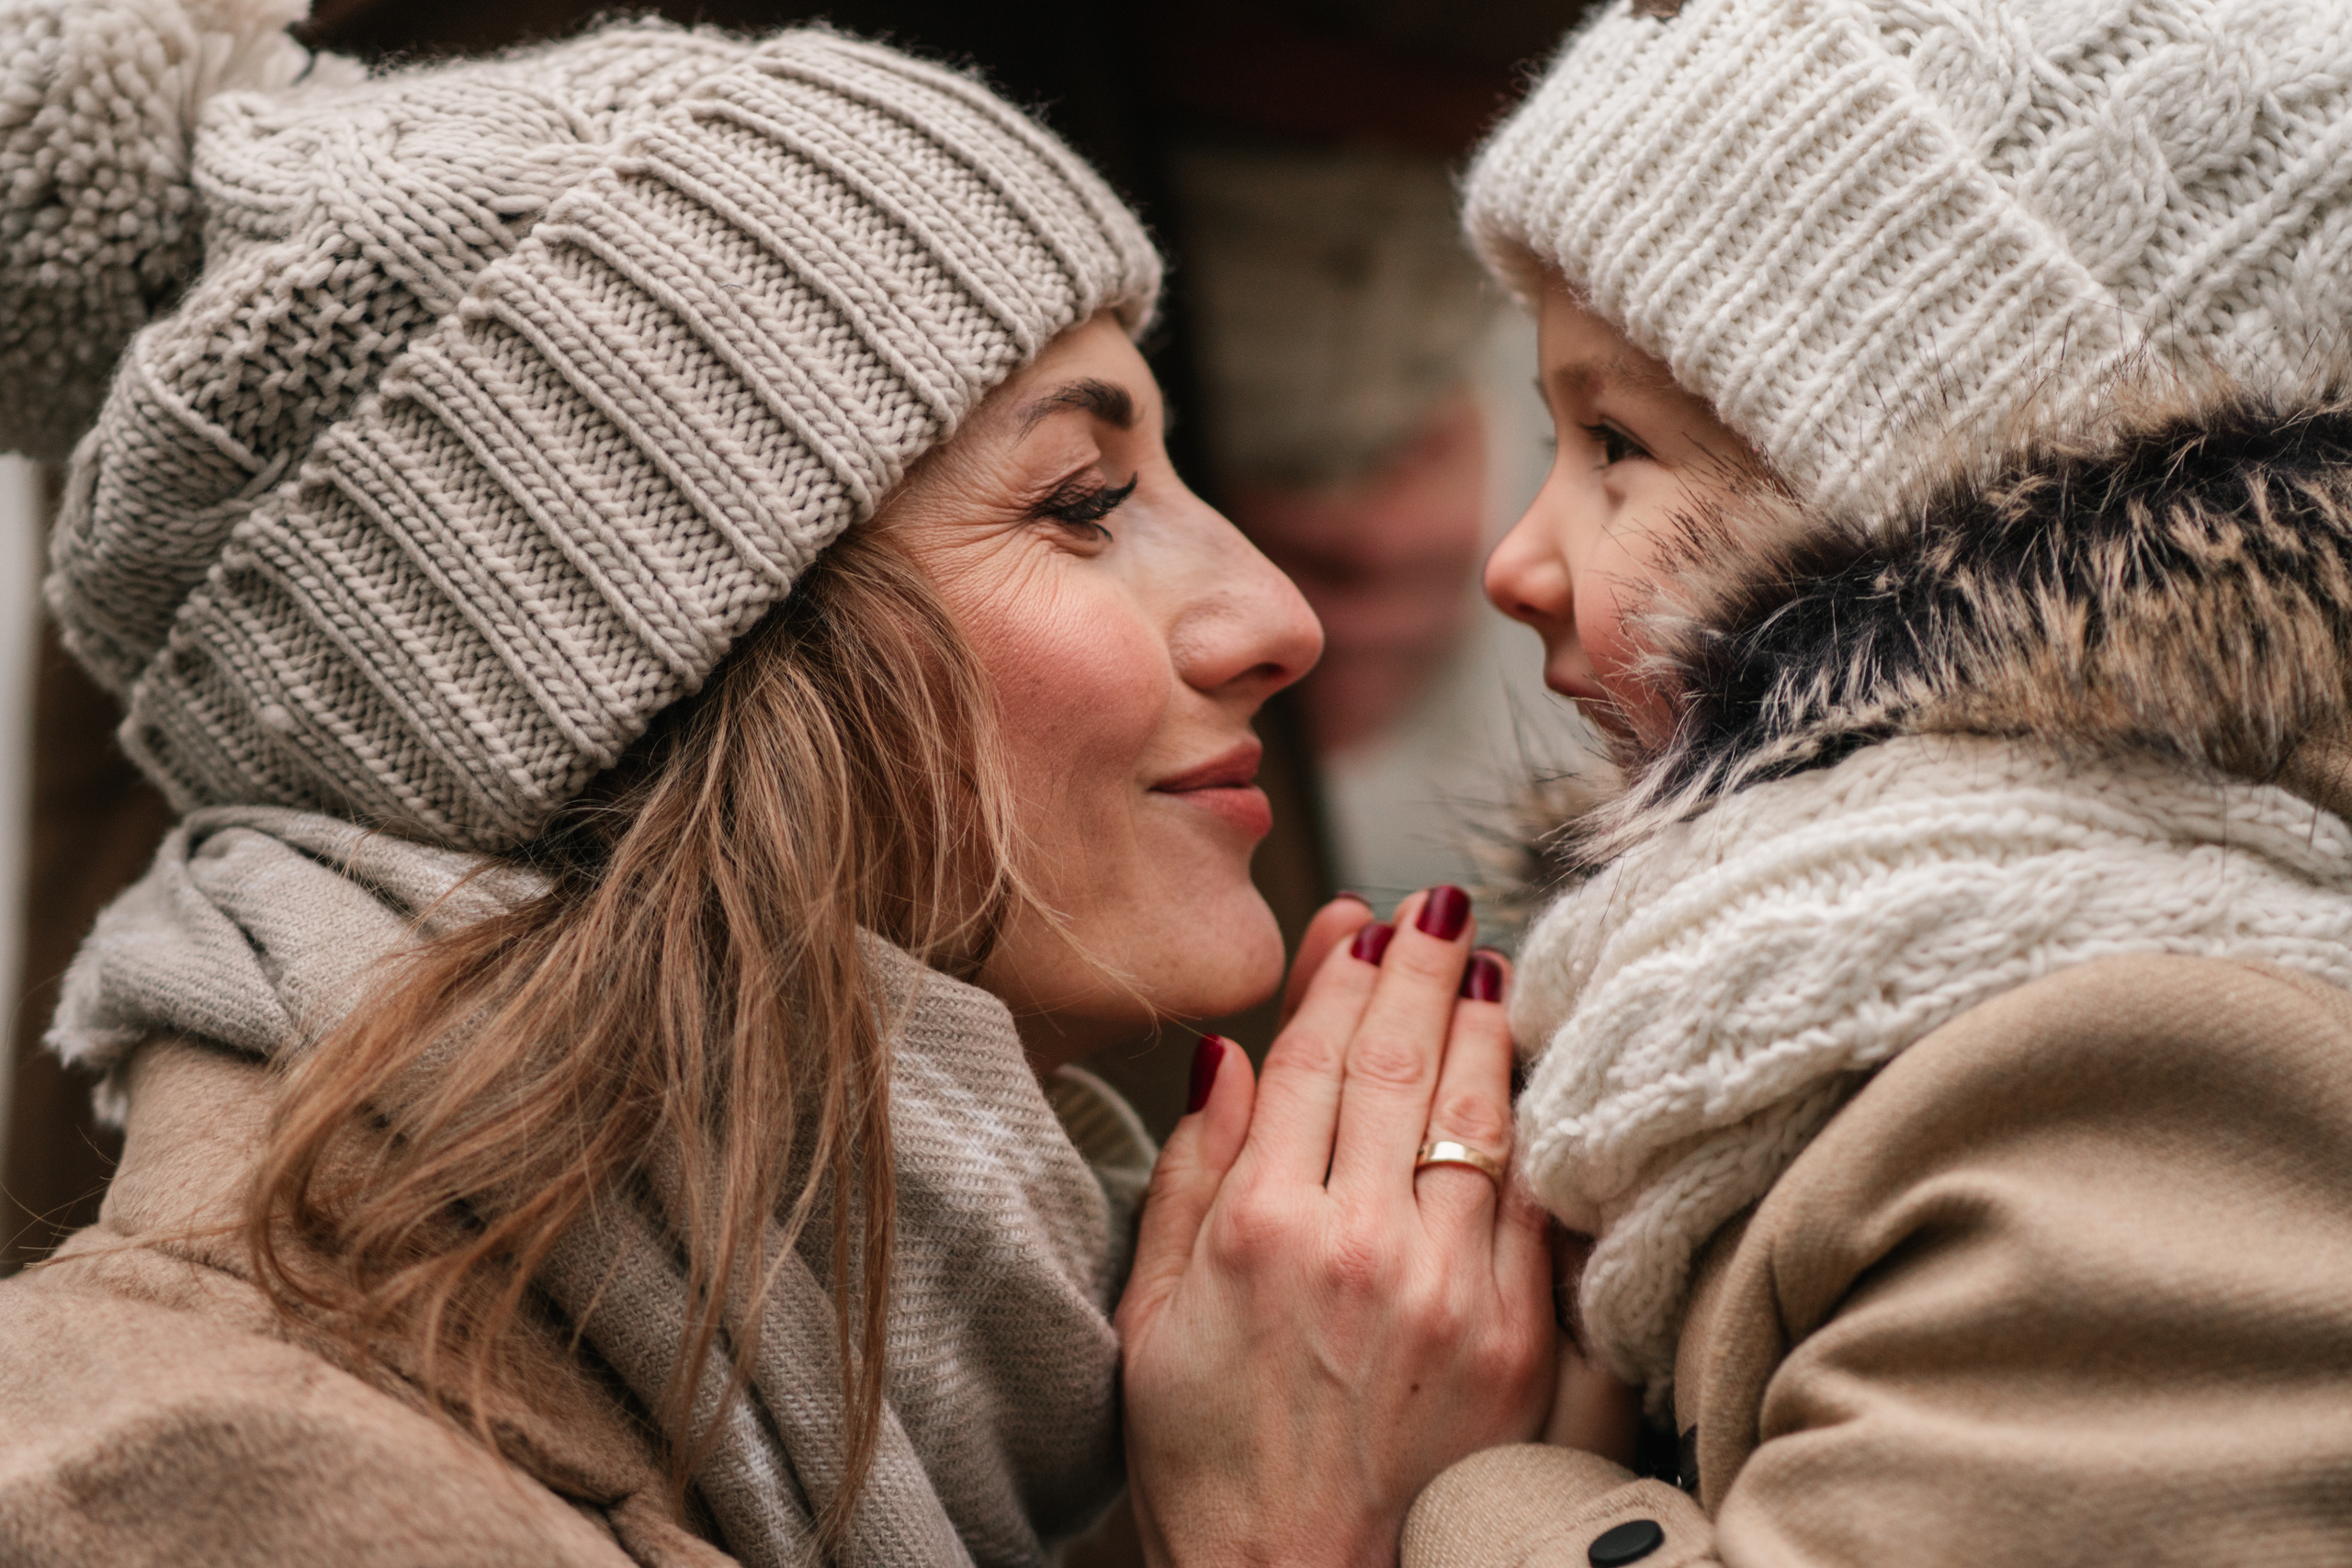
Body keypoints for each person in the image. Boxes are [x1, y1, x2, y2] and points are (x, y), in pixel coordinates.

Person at [0, 5, 1553, 1562]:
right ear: (648, 672)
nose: (1277, 616)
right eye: (1084, 501)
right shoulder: (214, 1491)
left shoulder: (883, 1430)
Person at [1400, 1, 2352, 1563]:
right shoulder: (1757, 999)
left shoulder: (2144, 1063)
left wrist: (1450, 1491)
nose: (1516, 559)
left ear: (1908, 502)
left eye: (1618, 442)